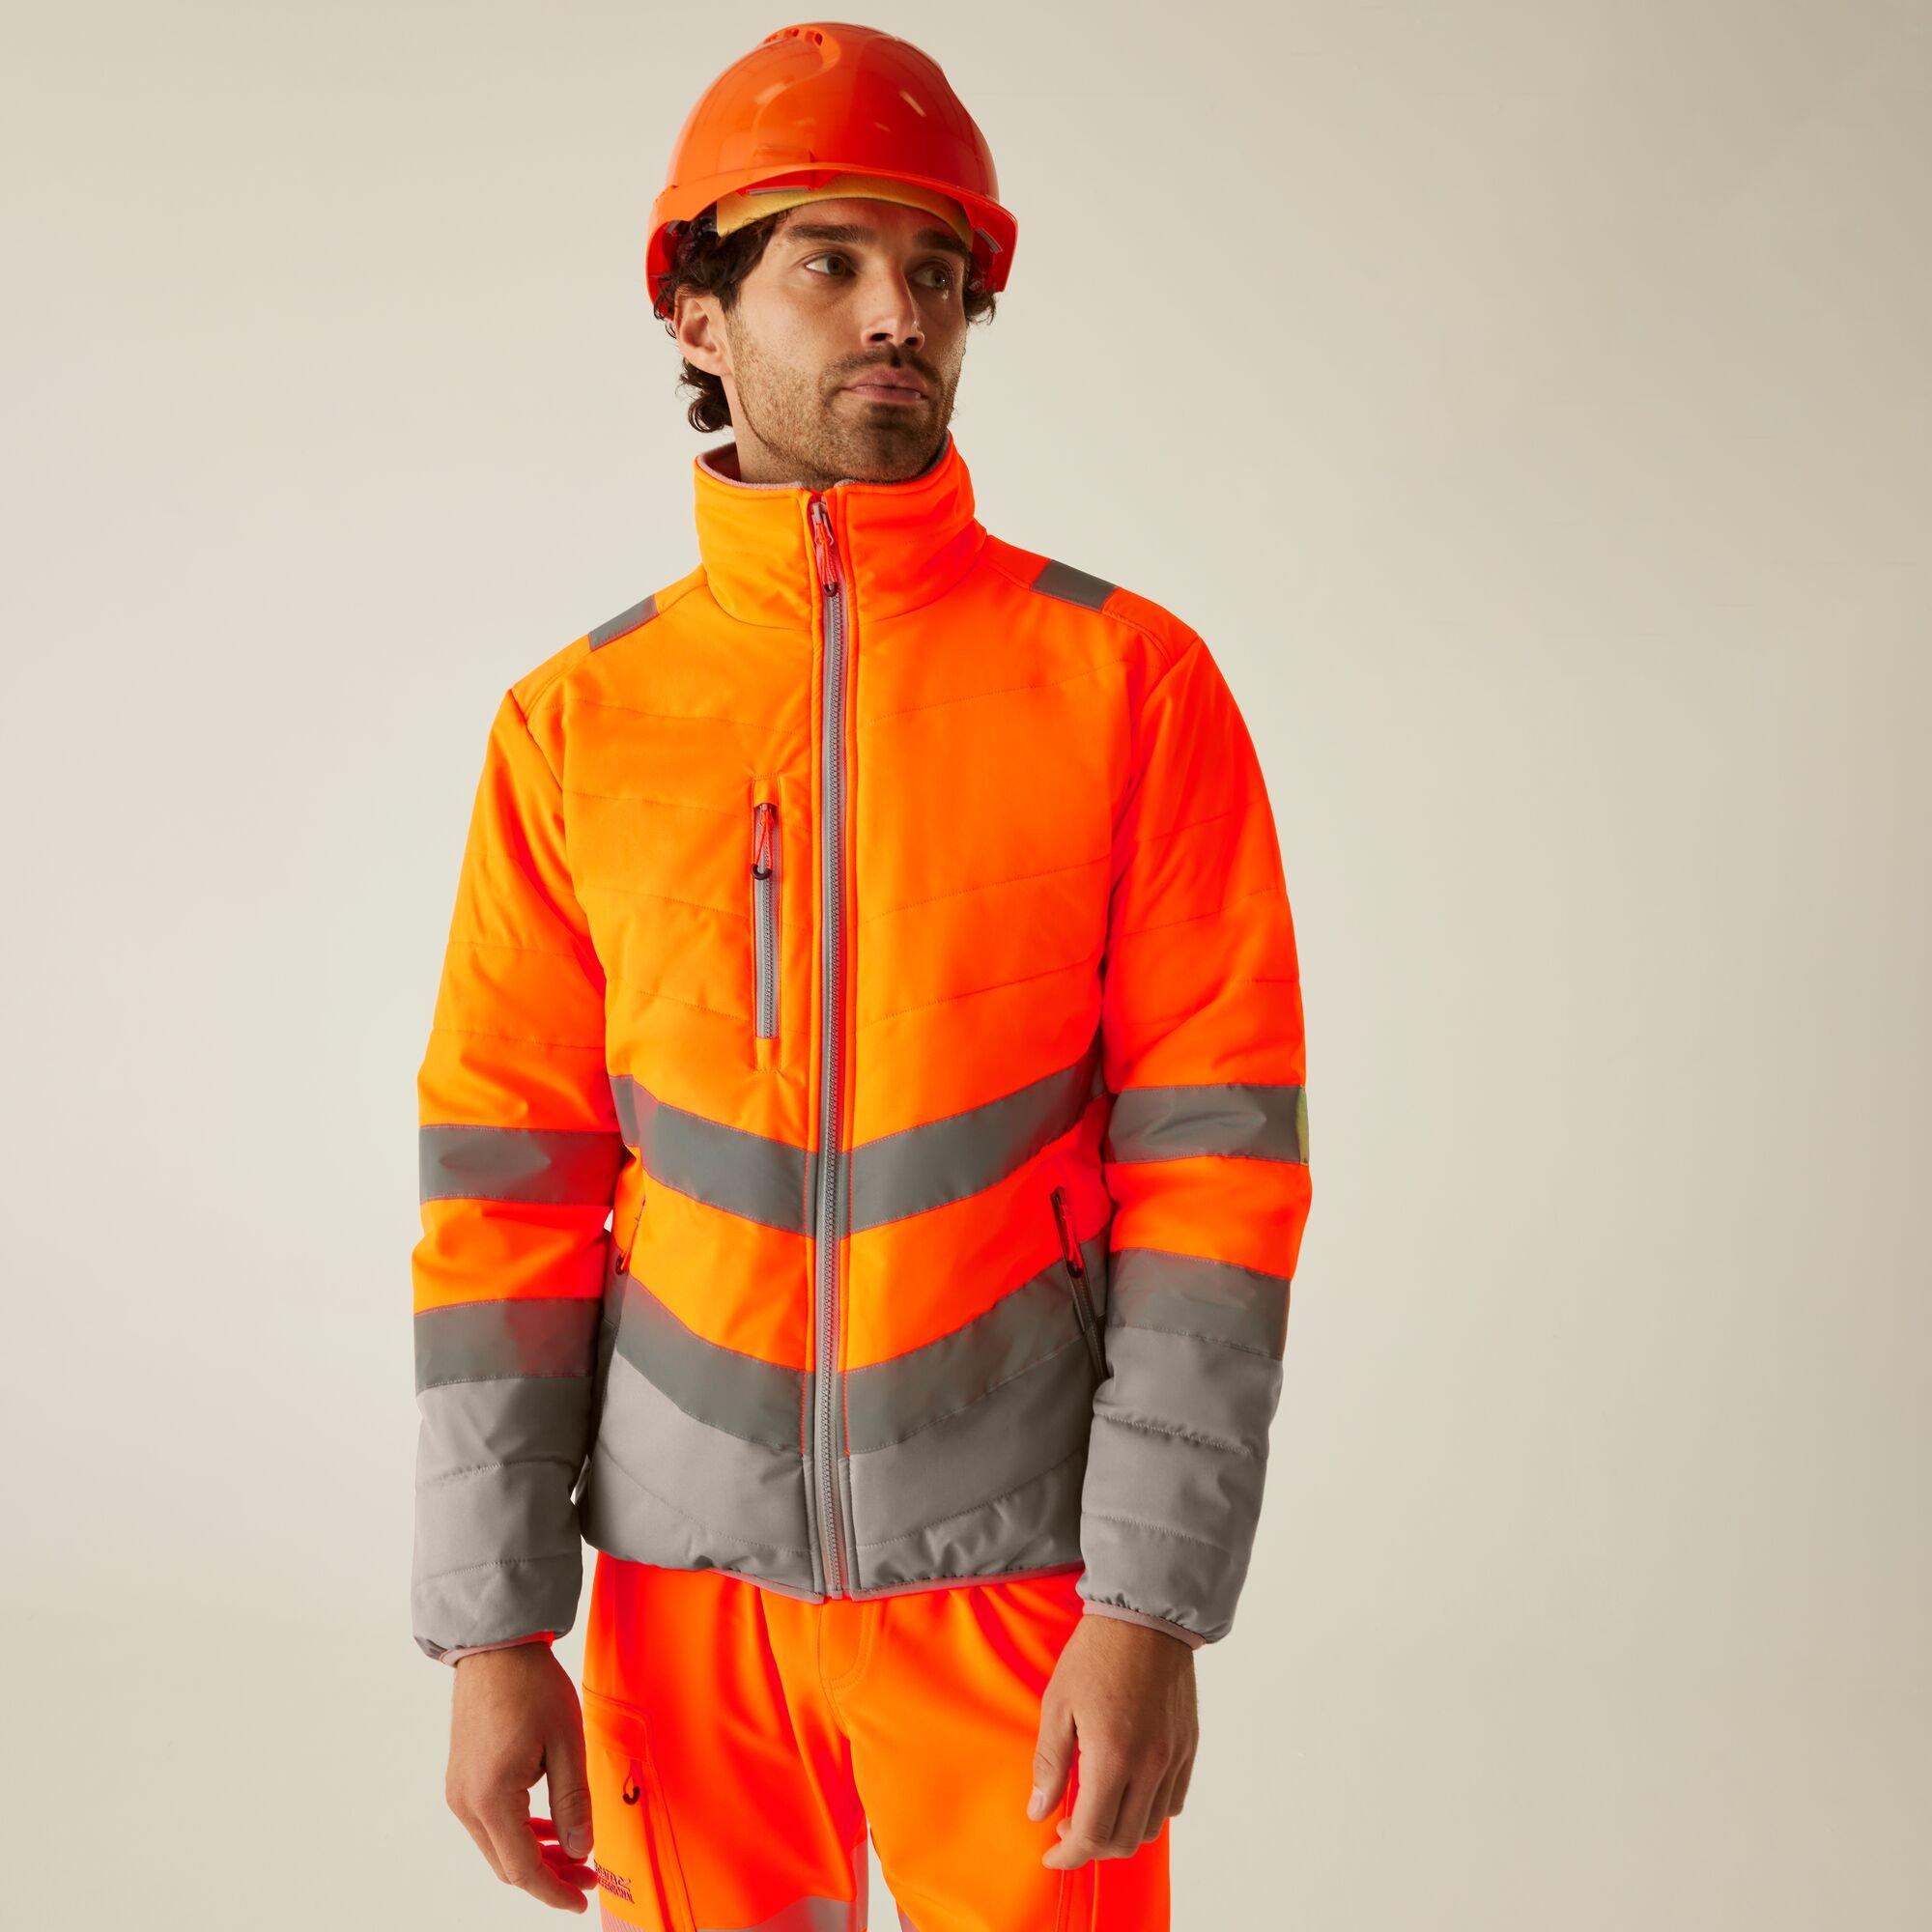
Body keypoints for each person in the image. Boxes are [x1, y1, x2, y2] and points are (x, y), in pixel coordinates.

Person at [409, 22, 1312, 1930]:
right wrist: (496, 1629)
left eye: (938, 272)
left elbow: (1217, 1178)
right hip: (681, 1603)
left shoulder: (1127, 687)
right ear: (697, 312)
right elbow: (506, 1196)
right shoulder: (576, 727)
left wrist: (1150, 1605)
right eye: (829, 262)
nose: (901, 313)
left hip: (1023, 1592)